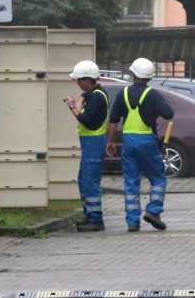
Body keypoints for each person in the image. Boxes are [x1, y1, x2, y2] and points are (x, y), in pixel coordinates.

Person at [105, 57, 174, 232]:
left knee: (131, 181)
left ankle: (132, 222)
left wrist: (111, 142)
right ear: (150, 77)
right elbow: (169, 114)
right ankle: (153, 211)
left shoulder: (123, 94)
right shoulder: (152, 94)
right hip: (147, 141)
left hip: (128, 141)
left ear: (133, 73)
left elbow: (113, 120)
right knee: (158, 178)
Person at [65, 60, 109, 232]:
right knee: (83, 179)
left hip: (94, 143)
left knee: (90, 182)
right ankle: (89, 215)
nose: (77, 83)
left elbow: (86, 120)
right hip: (90, 144)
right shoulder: (94, 94)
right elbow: (86, 99)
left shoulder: (97, 96)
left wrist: (72, 107)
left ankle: (96, 219)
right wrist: (81, 99)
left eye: (79, 79)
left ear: (88, 80)